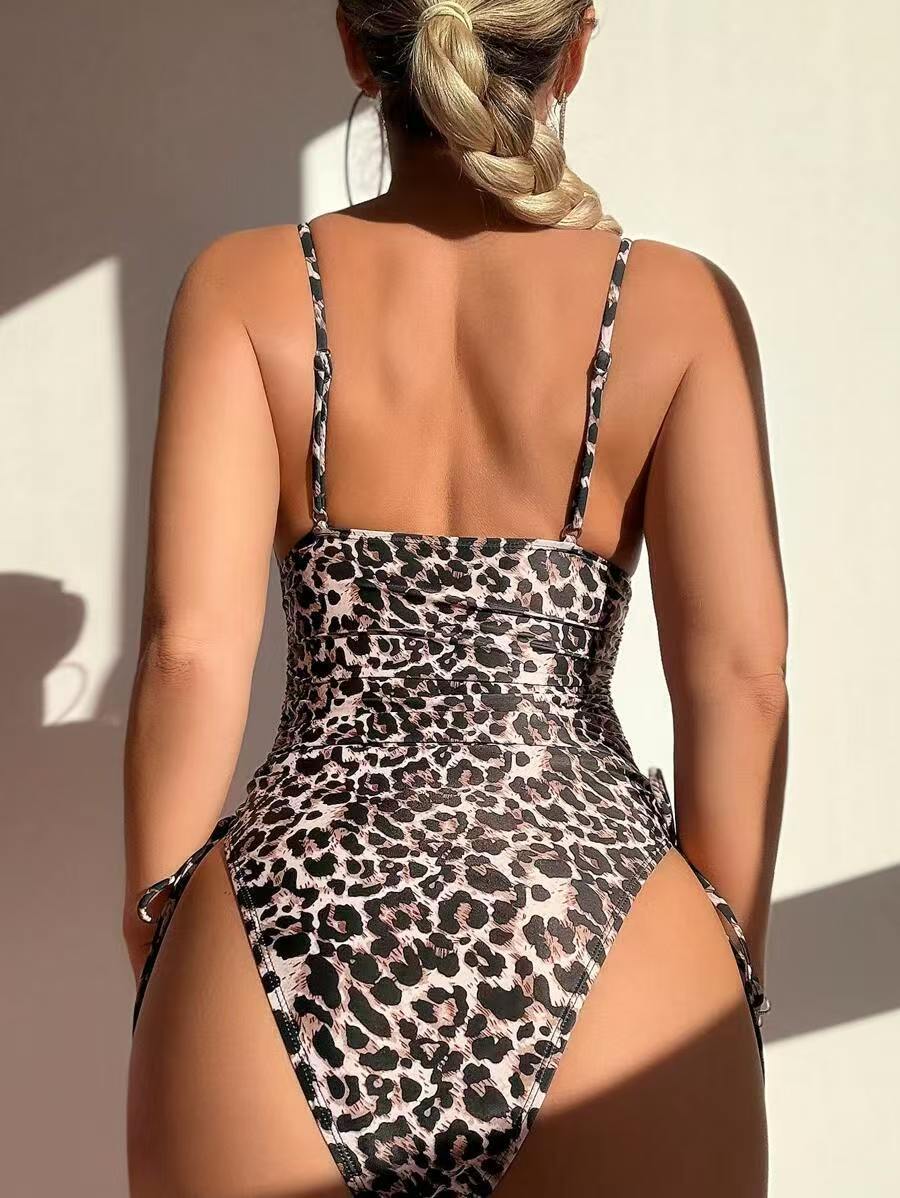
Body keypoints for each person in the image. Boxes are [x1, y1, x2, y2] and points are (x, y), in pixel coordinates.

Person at [123, 3, 788, 1195]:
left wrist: (162, 932)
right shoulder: (677, 301)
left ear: (354, 40)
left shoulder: (248, 286)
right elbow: (743, 680)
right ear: (574, 48)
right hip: (593, 912)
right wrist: (725, 957)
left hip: (294, 919)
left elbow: (189, 652)